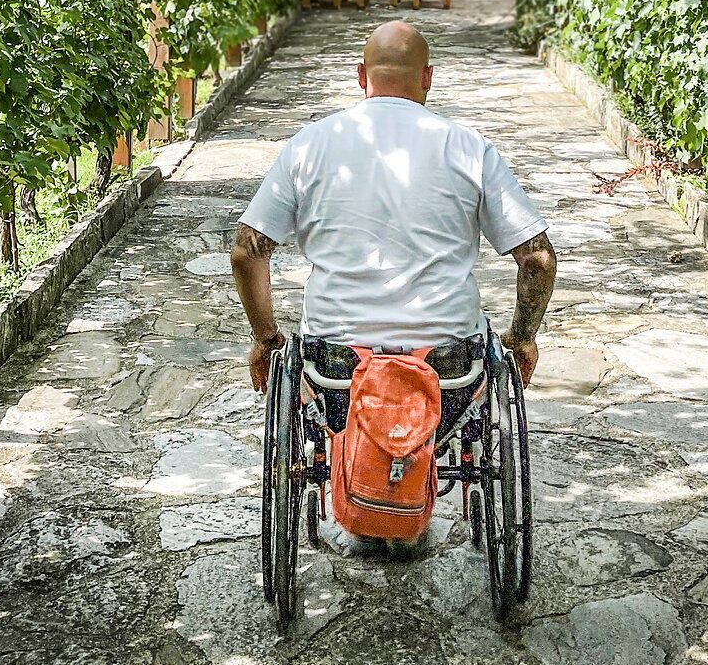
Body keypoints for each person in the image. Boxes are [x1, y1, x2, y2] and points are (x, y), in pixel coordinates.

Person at [228, 21, 558, 401]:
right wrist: (521, 338)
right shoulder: (470, 148)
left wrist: (267, 340)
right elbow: (537, 258)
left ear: (360, 75)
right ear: (428, 77)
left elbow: (246, 251)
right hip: (448, 362)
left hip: (336, 363)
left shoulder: (309, 145)